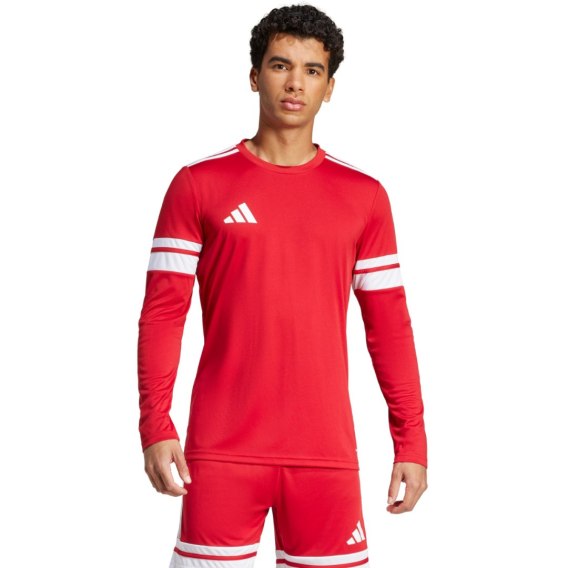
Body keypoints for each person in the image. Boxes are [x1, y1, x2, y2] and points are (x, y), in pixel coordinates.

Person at [137, 4, 428, 567]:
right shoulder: (198, 185)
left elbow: (390, 327)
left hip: (326, 457)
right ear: (254, 76)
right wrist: (155, 423)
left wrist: (411, 441)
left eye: (312, 70)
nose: (295, 82)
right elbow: (163, 314)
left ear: (329, 87)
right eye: (280, 65)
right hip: (220, 452)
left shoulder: (364, 197)